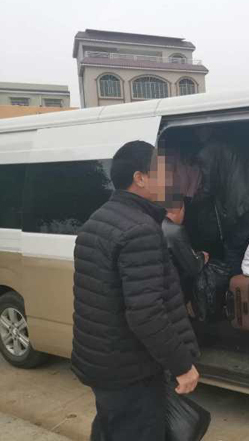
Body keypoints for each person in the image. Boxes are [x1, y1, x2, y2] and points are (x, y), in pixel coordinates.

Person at [72, 141, 200, 441]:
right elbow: (146, 313)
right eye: (161, 172)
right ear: (140, 178)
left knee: (111, 429)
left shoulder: (98, 219)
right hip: (131, 371)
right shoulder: (140, 230)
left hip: (102, 363)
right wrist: (182, 365)